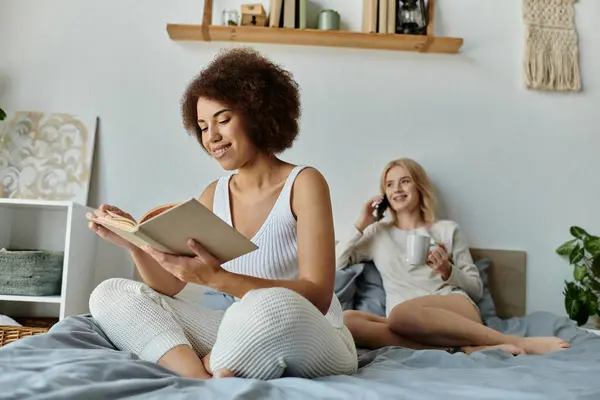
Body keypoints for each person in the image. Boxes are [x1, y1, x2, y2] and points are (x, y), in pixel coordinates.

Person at [86, 48, 357, 381]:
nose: (211, 137)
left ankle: (220, 363)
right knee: (111, 293)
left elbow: (317, 295)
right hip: (240, 327)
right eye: (202, 126)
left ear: (258, 114)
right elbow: (170, 286)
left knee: (268, 304)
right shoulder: (213, 194)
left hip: (313, 331)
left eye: (223, 120)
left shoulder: (304, 183)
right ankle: (199, 380)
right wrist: (136, 244)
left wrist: (216, 279)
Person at [336, 158, 571, 355]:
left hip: (454, 309)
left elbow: (476, 289)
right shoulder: (378, 234)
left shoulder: (447, 230)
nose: (397, 189)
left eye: (405, 181)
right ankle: (463, 348)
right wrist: (361, 223)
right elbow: (337, 263)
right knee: (346, 320)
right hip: (405, 323)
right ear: (385, 194)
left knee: (400, 313)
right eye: (389, 184)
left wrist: (447, 271)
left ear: (419, 186)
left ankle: (518, 342)